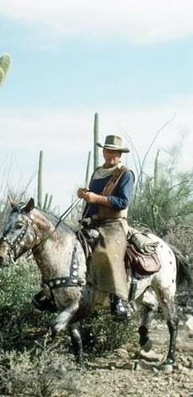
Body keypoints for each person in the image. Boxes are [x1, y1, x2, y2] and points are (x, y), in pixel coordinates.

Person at [77, 134, 134, 320]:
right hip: (92, 221)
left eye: (115, 153)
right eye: (108, 151)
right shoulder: (97, 172)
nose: (111, 155)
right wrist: (85, 195)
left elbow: (123, 202)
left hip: (114, 224)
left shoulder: (125, 174)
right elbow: (93, 197)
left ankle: (118, 299)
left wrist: (96, 198)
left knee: (108, 252)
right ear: (103, 152)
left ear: (120, 155)